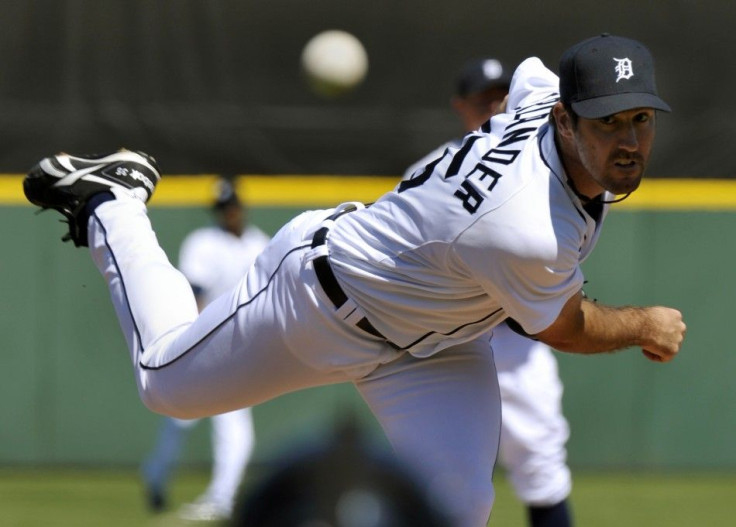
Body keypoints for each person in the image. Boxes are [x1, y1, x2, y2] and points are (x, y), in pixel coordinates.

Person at [23, 34, 686, 527]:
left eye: (640, 119)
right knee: (164, 384)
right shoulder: (524, 226)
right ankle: (113, 202)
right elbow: (565, 328)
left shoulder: (545, 98)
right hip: (324, 298)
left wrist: (505, 116)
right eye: (607, 122)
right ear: (566, 121)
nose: (627, 139)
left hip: (441, 347)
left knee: (457, 508)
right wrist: (645, 323)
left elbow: (531, 72)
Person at [404, 58, 573, 527]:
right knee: (442, 482)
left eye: (502, 96)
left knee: (542, 469)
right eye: (484, 100)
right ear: (461, 107)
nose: (496, 105)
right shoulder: (435, 168)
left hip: (518, 348)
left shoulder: (543, 167)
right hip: (449, 343)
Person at [140, 178, 270, 521]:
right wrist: (192, 343)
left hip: (239, 347)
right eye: (222, 208)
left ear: (241, 207)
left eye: (232, 206)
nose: (229, 213)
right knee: (179, 420)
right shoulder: (203, 243)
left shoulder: (260, 243)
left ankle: (222, 498)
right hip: (203, 340)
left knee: (235, 424)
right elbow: (193, 296)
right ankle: (155, 472)